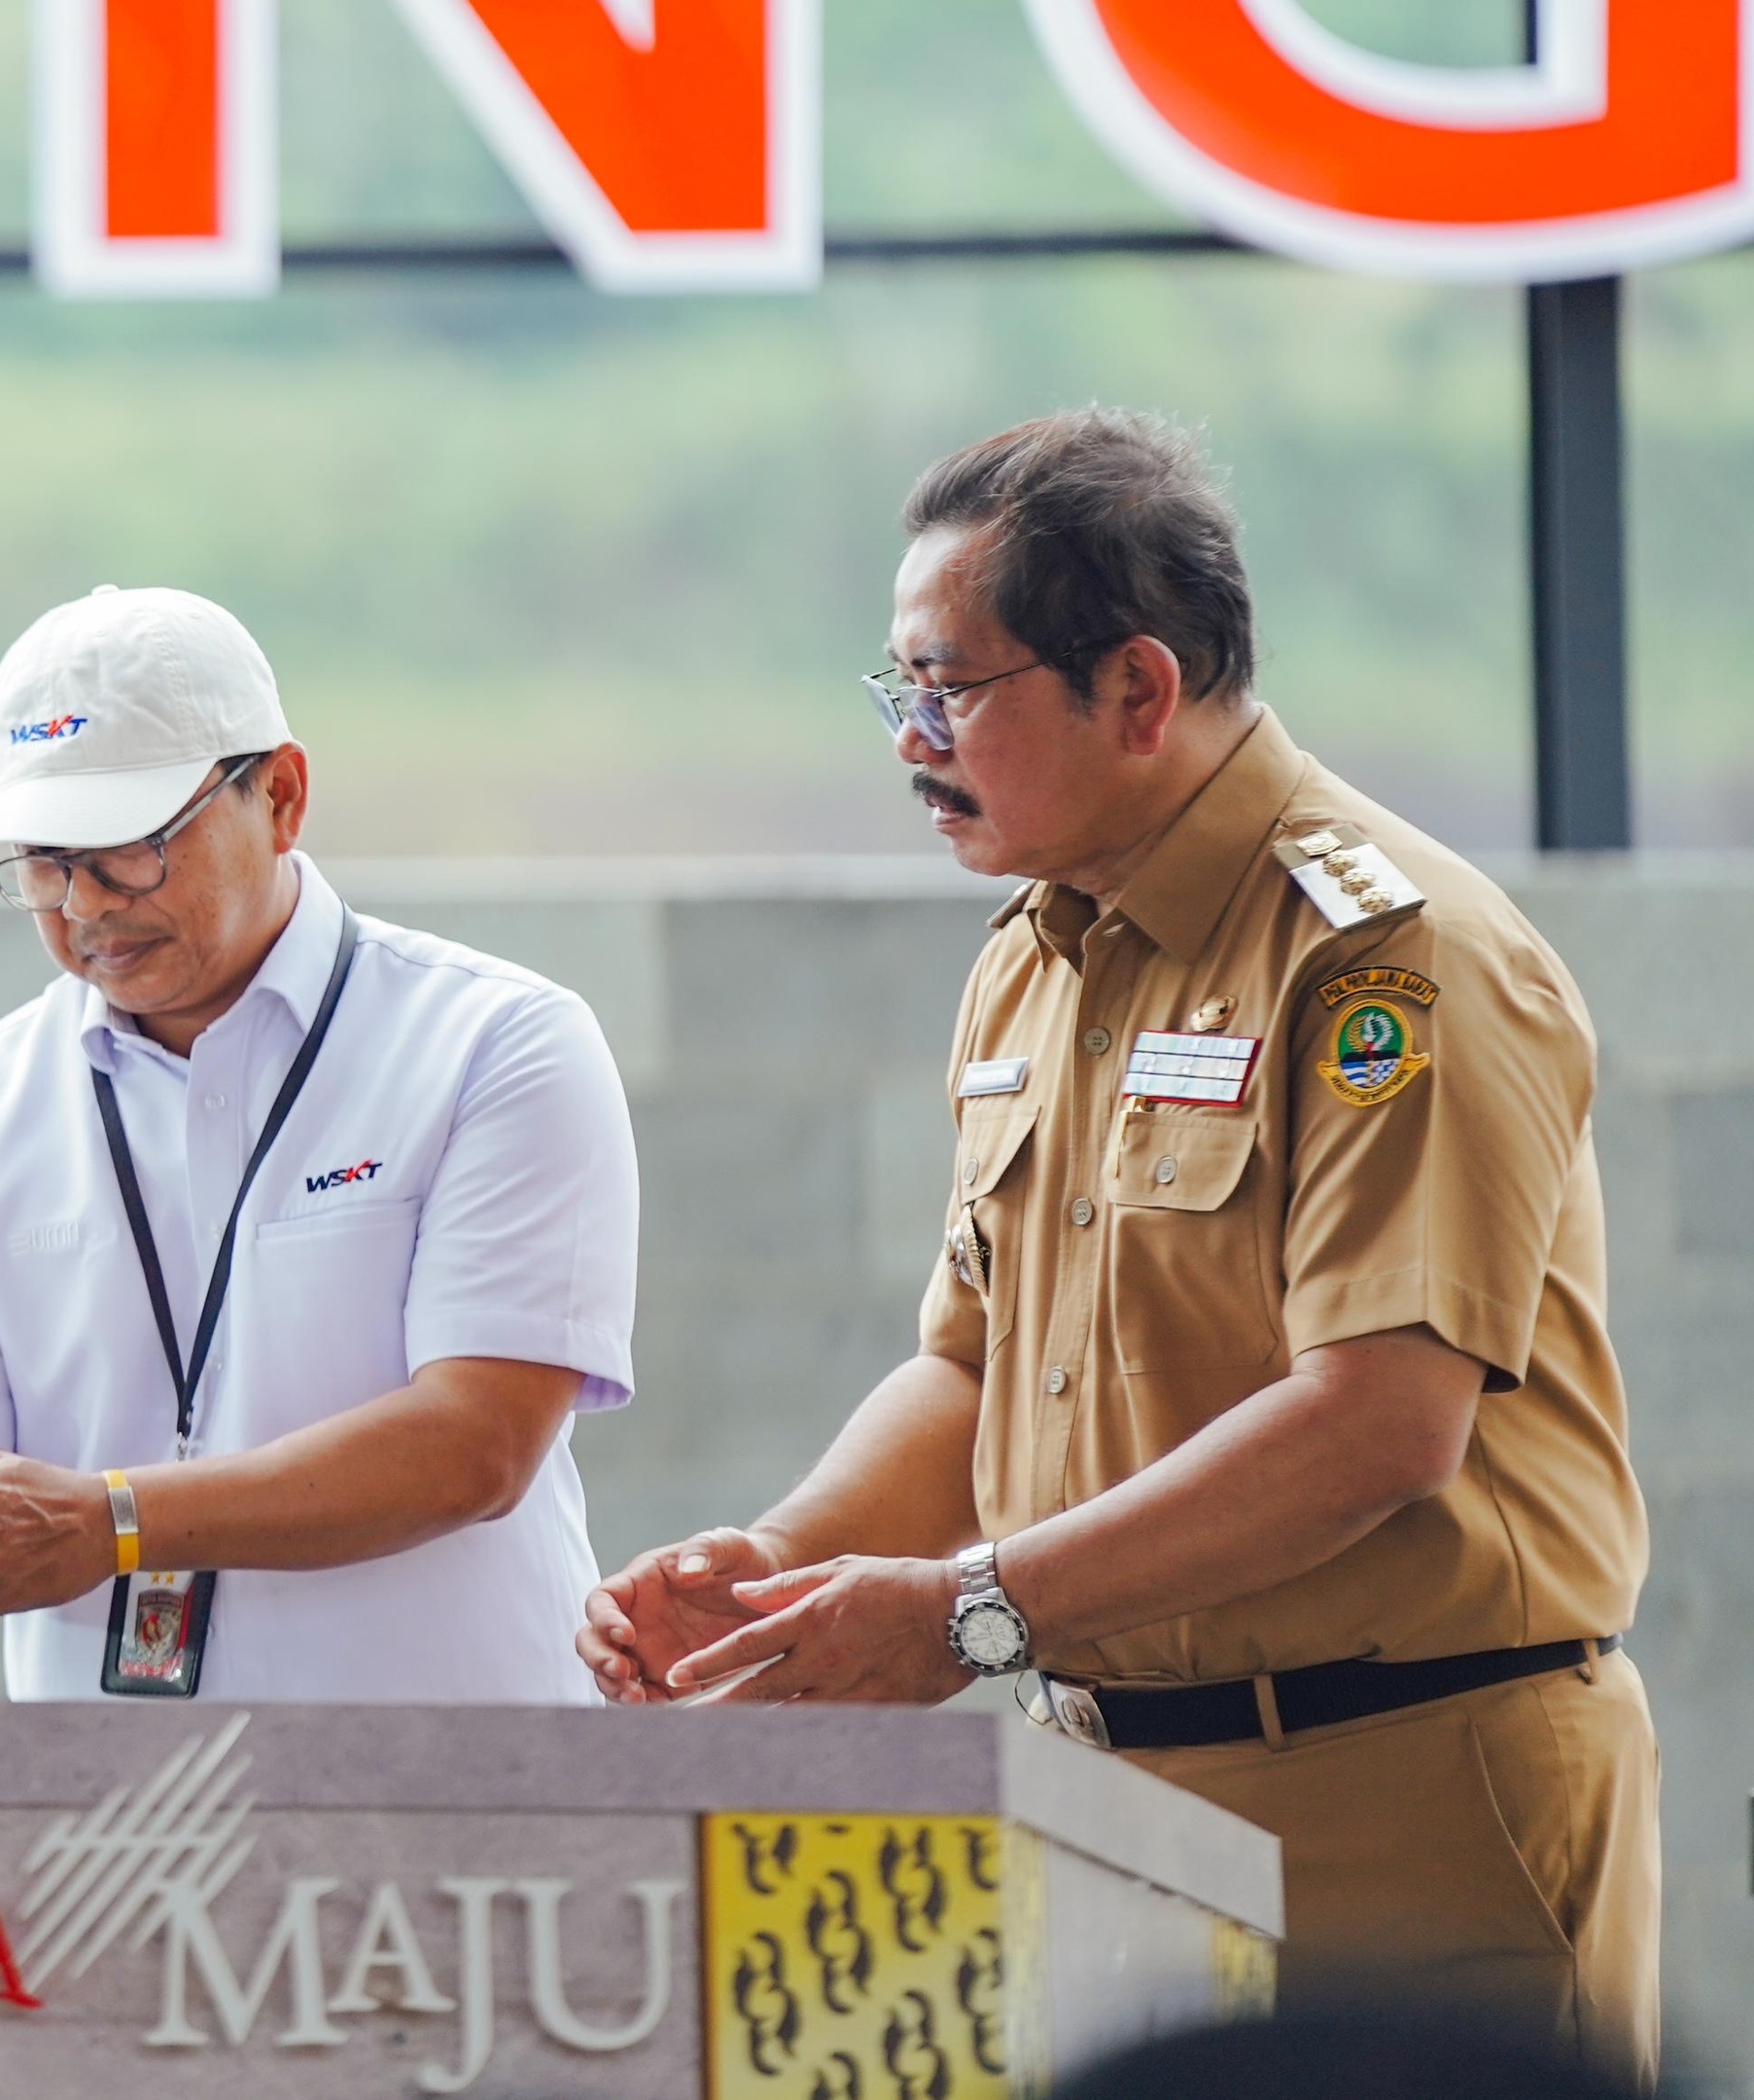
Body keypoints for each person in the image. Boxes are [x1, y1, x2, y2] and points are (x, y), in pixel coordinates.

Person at [576, 411, 1659, 2075]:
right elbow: (973, 1363)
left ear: (1139, 691)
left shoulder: (1391, 957)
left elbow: (1382, 1418)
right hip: (1098, 1801)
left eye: (951, 688)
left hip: (1405, 1795)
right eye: (896, 690)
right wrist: (778, 1581)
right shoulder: (1036, 955)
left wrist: (958, 1614)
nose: (910, 739)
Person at [0, 584, 641, 1702]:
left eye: (130, 849)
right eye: (44, 865)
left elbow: (475, 1448)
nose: (88, 906)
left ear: (281, 796)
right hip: (114, 1831)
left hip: (468, 1799)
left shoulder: (497, 1042)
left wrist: (114, 1523)